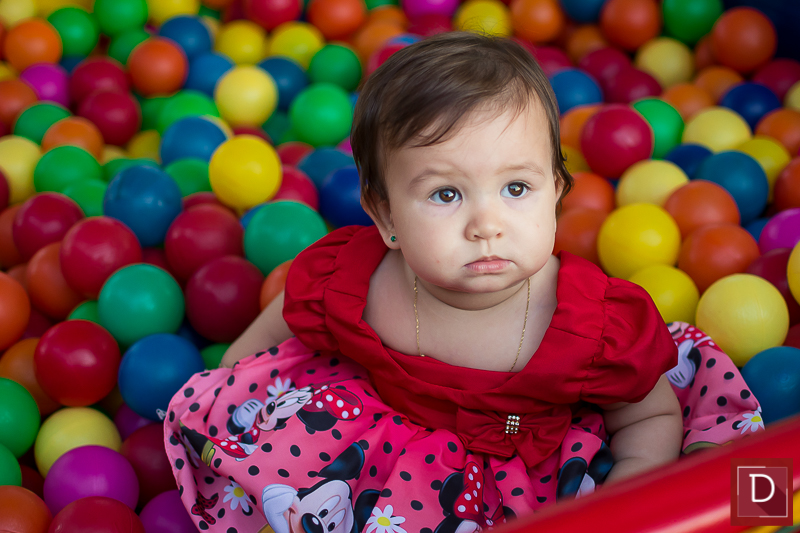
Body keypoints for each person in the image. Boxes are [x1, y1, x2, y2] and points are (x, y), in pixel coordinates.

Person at [165, 32, 763, 533]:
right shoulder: (356, 277)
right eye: (446, 194)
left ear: (556, 192)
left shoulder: (590, 325)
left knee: (746, 486)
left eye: (516, 188)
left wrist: (625, 499)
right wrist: (231, 378)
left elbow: (648, 417)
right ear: (385, 215)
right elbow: (290, 311)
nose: (486, 225)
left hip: (516, 474)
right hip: (373, 457)